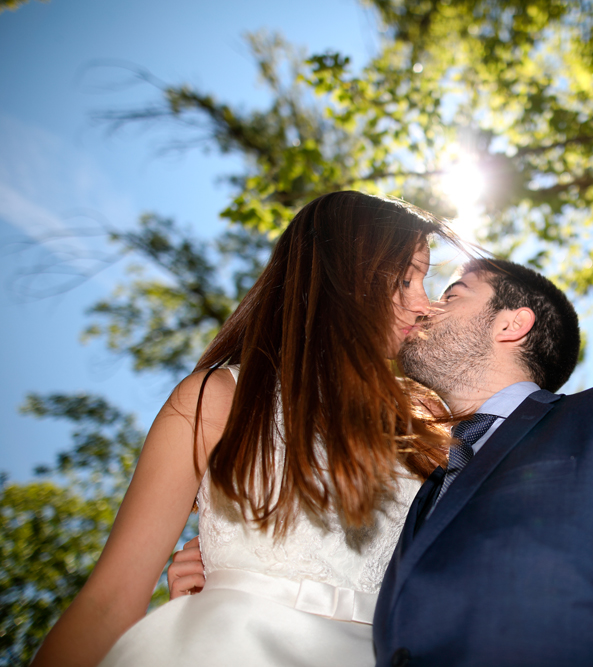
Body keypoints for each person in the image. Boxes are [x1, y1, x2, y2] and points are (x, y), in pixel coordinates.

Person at [172, 257, 593, 666]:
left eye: (453, 294)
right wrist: (235, 581)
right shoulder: (415, 486)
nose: (424, 308)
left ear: (512, 324)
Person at [30, 191, 455, 667]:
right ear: (341, 272)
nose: (424, 305)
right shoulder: (215, 399)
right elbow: (109, 601)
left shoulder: (427, 418)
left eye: (425, 280)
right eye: (405, 278)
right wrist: (217, 600)